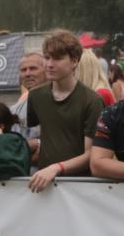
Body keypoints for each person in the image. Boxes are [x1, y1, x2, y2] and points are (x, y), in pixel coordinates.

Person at [26, 29, 104, 192]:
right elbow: (40, 135)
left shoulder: (92, 100)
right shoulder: (35, 96)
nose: (49, 64)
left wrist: (57, 167)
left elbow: (91, 154)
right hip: (44, 185)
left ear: (74, 61)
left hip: (80, 187)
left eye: (57, 58)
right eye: (47, 57)